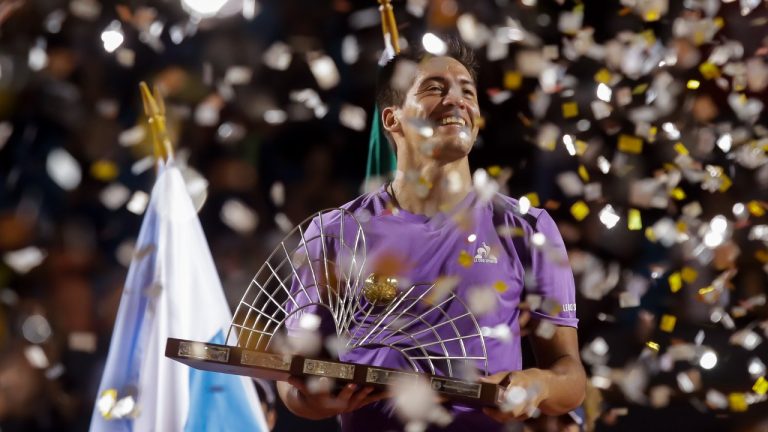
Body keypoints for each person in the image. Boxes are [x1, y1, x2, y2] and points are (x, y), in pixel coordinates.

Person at [276, 38, 586, 431]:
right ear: (392, 119)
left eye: (467, 92)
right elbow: (294, 377)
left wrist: (537, 383)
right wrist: (313, 401)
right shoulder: (333, 232)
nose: (457, 100)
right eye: (434, 89)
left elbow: (570, 378)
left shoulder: (527, 228)